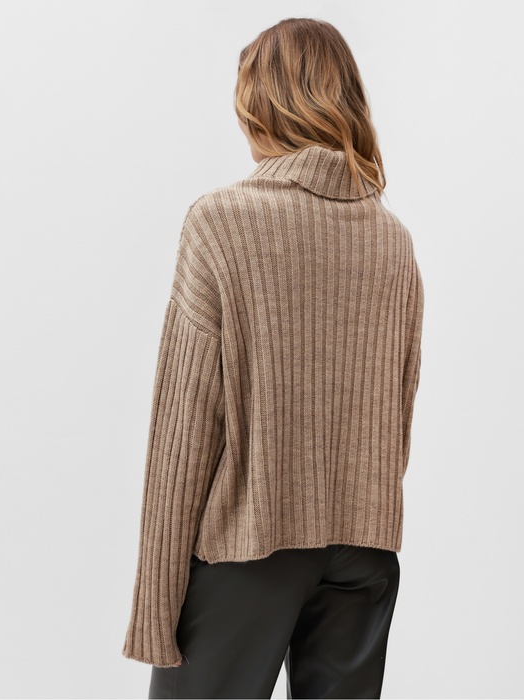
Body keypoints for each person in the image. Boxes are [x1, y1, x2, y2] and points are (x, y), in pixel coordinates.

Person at [122, 16, 425, 700]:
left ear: (260, 106)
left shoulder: (220, 223)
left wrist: (155, 609)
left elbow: (184, 430)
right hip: (366, 553)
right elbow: (398, 411)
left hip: (251, 546)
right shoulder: (393, 239)